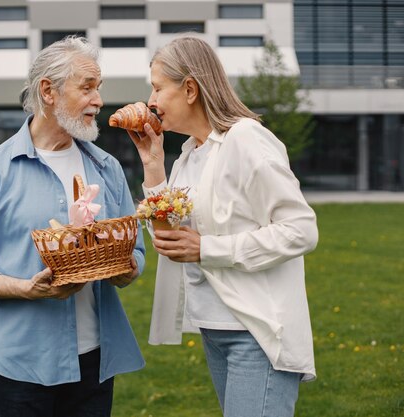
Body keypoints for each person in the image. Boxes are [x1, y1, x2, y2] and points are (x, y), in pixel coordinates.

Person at [0, 36, 145, 417]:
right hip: (19, 367)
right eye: (87, 87)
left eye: (98, 88)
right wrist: (25, 289)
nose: (98, 100)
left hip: (94, 361)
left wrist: (125, 268)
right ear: (48, 92)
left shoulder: (108, 169)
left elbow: (134, 251)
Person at [126, 36, 318, 417]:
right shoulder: (188, 156)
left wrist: (209, 249)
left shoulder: (246, 140)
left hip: (258, 333)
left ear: (191, 89)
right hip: (216, 330)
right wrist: (153, 165)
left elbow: (301, 229)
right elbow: (169, 239)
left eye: (159, 87)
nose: (151, 100)